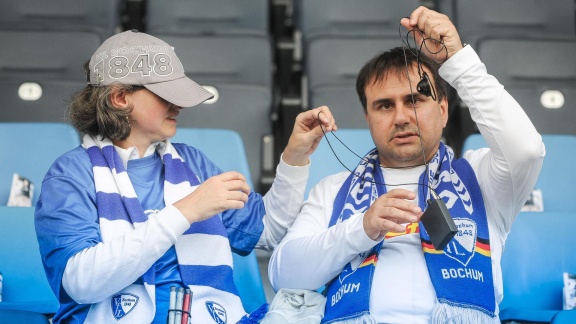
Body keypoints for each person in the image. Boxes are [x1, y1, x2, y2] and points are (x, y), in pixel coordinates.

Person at [34, 30, 336, 324]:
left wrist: (295, 156)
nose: (178, 105)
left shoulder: (193, 162)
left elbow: (269, 231)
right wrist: (186, 210)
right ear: (120, 97)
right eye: (166, 94)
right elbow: (80, 282)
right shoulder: (69, 175)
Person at [268, 6, 545, 323]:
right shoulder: (332, 190)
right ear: (368, 119)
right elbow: (283, 274)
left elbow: (527, 150)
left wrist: (458, 62)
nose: (400, 117)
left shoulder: (481, 178)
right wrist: (362, 228)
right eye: (384, 105)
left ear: (443, 111)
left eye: (414, 100)